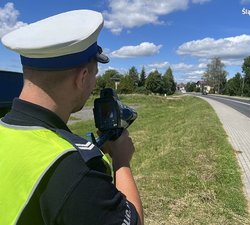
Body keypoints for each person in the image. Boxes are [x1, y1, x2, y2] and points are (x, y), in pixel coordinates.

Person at [0, 10, 143, 225]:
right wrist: (121, 162)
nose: (94, 82)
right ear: (83, 77)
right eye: (94, 73)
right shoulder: (74, 169)